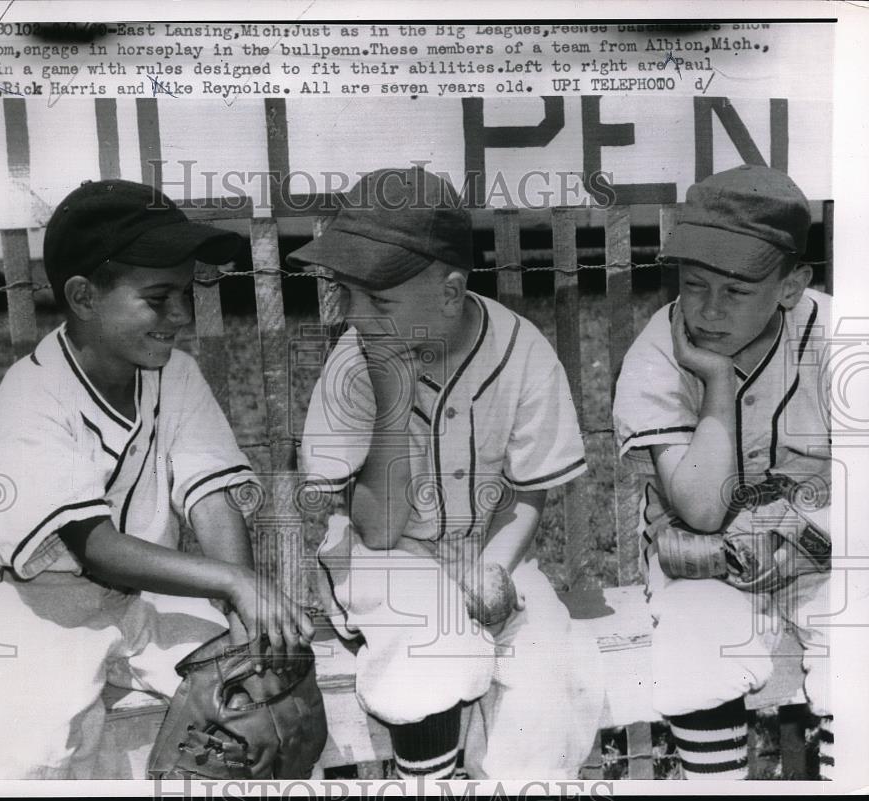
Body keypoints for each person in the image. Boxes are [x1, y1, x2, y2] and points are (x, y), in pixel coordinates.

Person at [0, 179, 314, 779]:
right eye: (158, 296)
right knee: (29, 751)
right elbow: (94, 548)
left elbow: (210, 496)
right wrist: (232, 579)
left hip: (146, 599)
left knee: (258, 692)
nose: (181, 314)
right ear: (84, 297)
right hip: (37, 605)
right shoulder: (32, 393)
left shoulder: (176, 373)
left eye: (186, 292)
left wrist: (240, 606)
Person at [287, 166, 604, 780]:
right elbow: (377, 531)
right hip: (385, 555)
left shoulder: (523, 349)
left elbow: (530, 493)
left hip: (491, 549)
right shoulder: (354, 364)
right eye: (349, 293)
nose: (356, 317)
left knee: (548, 662)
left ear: (451, 293)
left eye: (377, 299)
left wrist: (493, 567)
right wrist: (391, 400)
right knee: (426, 640)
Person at [613, 165, 833, 780]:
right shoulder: (661, 350)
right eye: (694, 283)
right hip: (703, 560)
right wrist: (712, 380)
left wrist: (812, 534)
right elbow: (703, 510)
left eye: (736, 291)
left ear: (791, 286)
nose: (708, 310)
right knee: (697, 642)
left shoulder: (843, 337)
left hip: (827, 554)